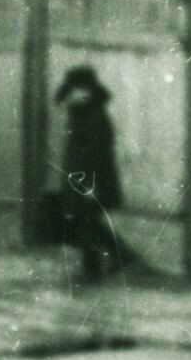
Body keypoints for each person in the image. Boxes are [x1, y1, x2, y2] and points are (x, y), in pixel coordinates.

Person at [51, 64, 132, 285]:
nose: (72, 96)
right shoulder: (80, 112)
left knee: (86, 220)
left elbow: (99, 152)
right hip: (78, 177)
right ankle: (107, 261)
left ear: (88, 90)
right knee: (84, 221)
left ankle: (109, 261)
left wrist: (92, 184)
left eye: (76, 91)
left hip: (91, 178)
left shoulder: (95, 115)